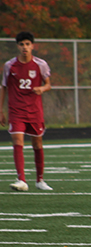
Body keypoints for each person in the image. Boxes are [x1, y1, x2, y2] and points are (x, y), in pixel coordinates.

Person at [1, 31, 52, 192]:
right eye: (22, 44)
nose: (25, 47)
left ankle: (40, 180)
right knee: (17, 141)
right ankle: (21, 179)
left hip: (35, 111)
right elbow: (4, 87)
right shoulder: (10, 65)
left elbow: (48, 84)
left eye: (27, 44)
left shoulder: (40, 64)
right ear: (18, 46)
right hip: (16, 111)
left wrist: (42, 88)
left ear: (32, 46)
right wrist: (0, 110)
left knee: (37, 144)